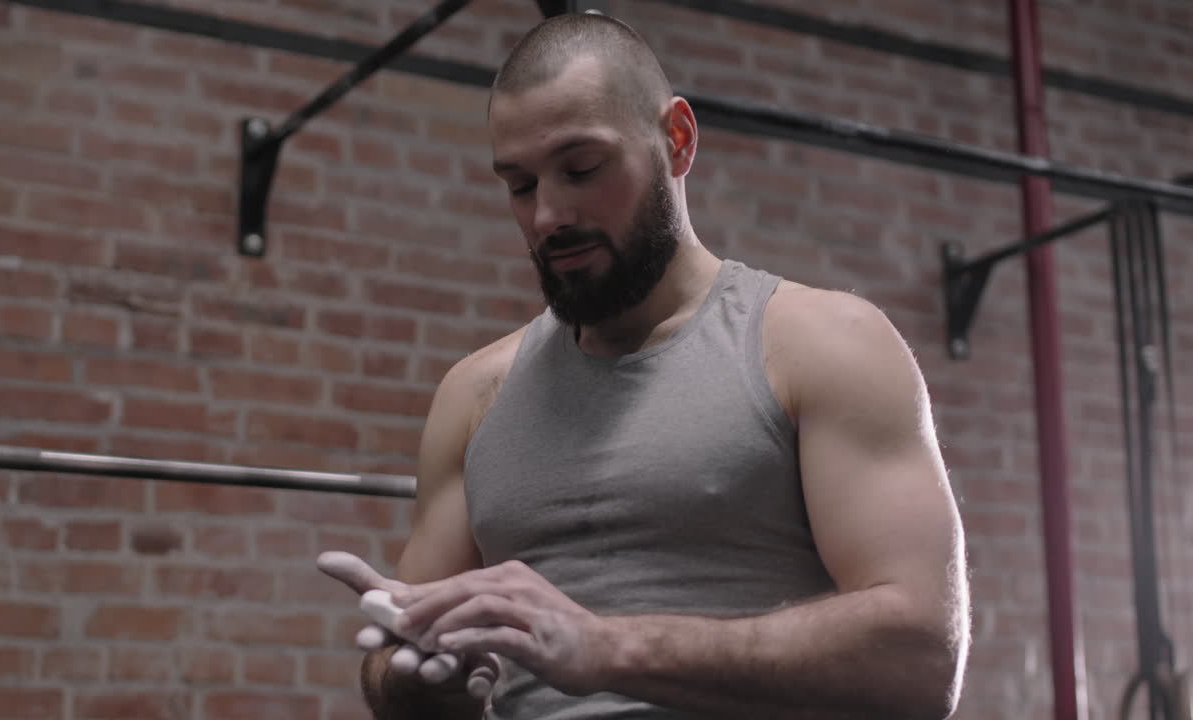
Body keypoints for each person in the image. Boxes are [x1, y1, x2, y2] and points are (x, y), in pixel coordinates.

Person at [318, 11, 970, 720]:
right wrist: (415, 680)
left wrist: (609, 650)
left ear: (676, 140)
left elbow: (921, 659)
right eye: (520, 184)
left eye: (581, 169)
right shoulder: (475, 395)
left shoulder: (823, 343)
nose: (547, 216)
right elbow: (401, 667)